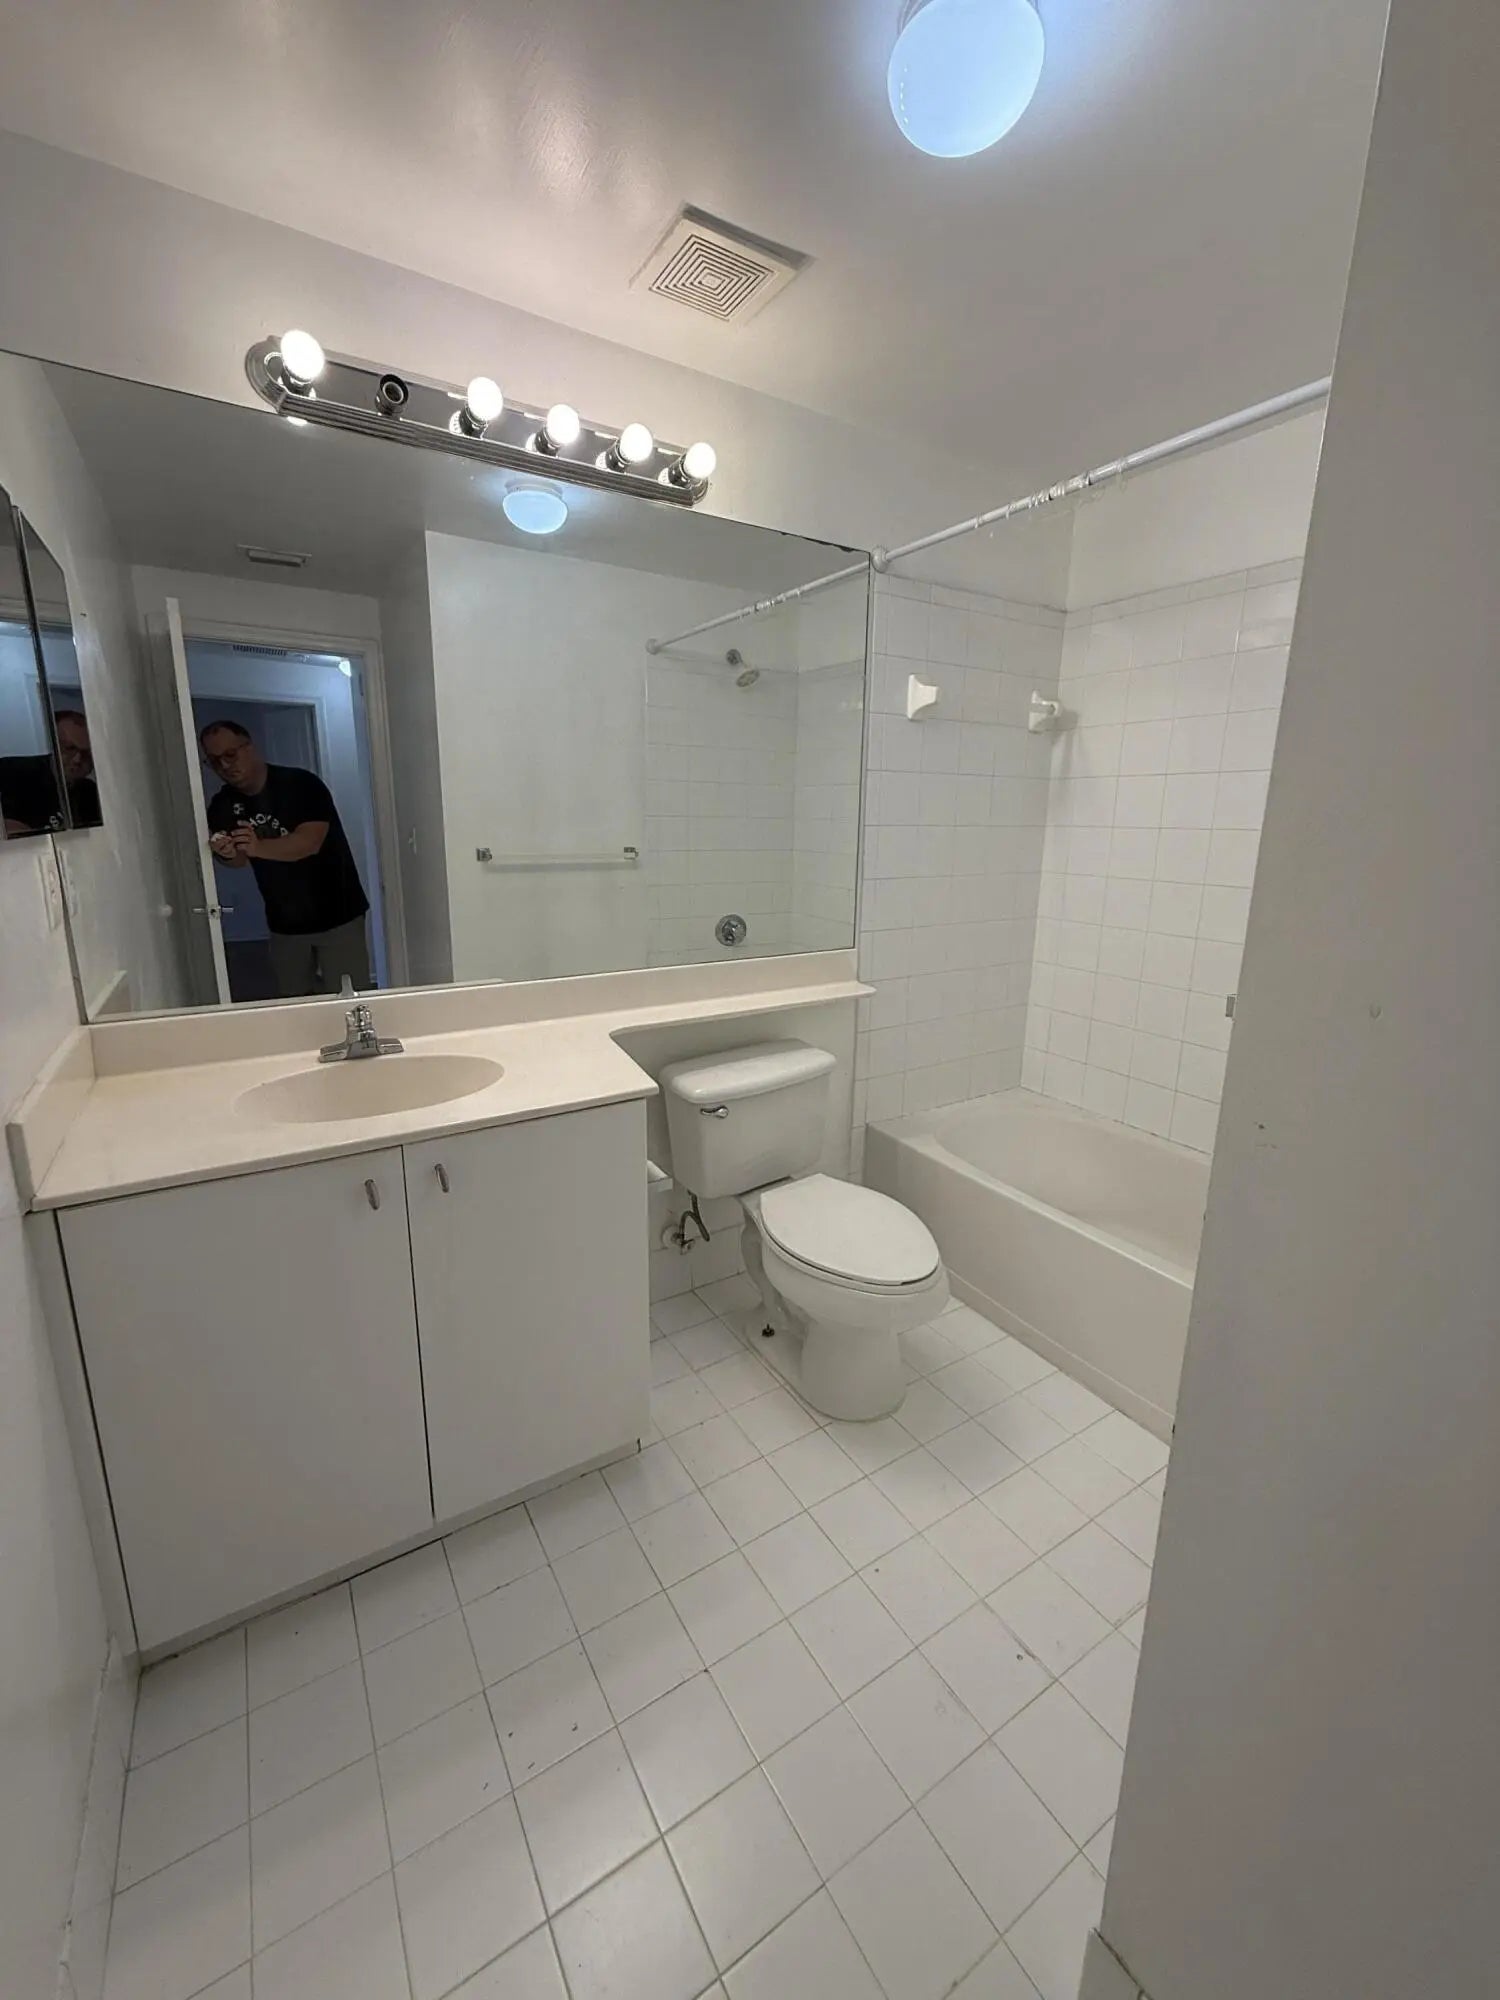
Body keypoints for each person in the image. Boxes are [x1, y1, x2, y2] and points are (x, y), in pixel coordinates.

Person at [200, 719, 372, 997]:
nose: (225, 766)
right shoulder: (223, 804)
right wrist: (226, 853)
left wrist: (257, 847)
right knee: (293, 1003)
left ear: (249, 747)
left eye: (230, 754)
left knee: (350, 1001)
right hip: (284, 923)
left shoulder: (301, 785)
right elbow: (238, 860)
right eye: (214, 761)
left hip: (339, 914)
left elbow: (309, 843)